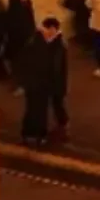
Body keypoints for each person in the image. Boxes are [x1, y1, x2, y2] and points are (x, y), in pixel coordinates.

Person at [20, 18, 68, 146]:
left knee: (38, 110)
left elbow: (61, 68)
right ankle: (33, 134)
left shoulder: (53, 44)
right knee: (35, 110)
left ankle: (36, 134)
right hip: (37, 84)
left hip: (42, 84)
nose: (50, 33)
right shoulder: (38, 43)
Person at [0, 0, 34, 85]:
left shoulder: (13, 0)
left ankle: (20, 84)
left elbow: (12, 19)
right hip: (27, 31)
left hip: (17, 34)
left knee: (16, 60)